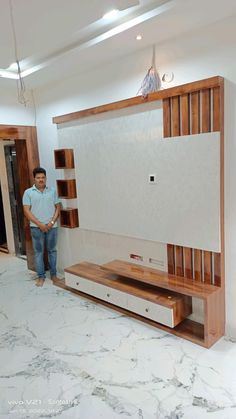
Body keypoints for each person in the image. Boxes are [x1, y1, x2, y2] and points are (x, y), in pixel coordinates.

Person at [23, 167, 61, 287]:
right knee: (38, 253)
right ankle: (41, 277)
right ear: (34, 178)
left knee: (52, 251)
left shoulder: (52, 191)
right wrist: (40, 224)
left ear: (46, 178)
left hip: (52, 227)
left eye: (43, 177)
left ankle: (54, 275)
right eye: (38, 177)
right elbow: (26, 211)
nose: (41, 180)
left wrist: (51, 223)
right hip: (36, 228)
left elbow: (58, 208)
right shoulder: (28, 192)